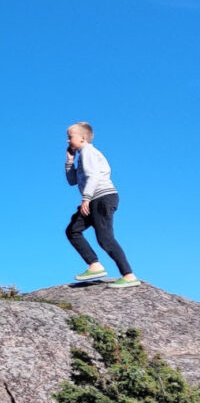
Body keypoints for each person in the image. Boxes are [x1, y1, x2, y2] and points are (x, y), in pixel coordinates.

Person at [64, 122, 139, 288]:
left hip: (102, 198)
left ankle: (128, 275)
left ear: (83, 138)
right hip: (94, 199)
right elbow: (72, 181)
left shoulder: (88, 152)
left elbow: (93, 177)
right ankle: (94, 265)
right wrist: (69, 162)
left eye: (70, 137)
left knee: (105, 238)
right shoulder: (82, 155)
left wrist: (86, 199)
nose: (68, 141)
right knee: (73, 230)